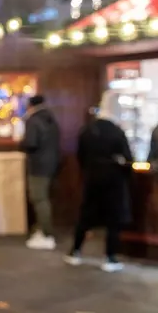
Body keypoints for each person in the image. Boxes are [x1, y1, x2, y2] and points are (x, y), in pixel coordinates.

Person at [64, 92, 133, 273]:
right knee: (113, 219)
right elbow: (128, 159)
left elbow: (80, 156)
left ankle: (75, 252)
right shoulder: (117, 132)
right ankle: (110, 257)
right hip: (113, 180)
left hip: (92, 177)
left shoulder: (87, 130)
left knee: (86, 216)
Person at [19, 95, 60, 250]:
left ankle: (47, 234)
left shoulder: (33, 120)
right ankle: (42, 230)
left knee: (39, 198)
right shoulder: (50, 118)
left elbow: (30, 142)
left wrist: (20, 143)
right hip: (52, 164)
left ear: (30, 105)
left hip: (38, 165)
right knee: (44, 198)